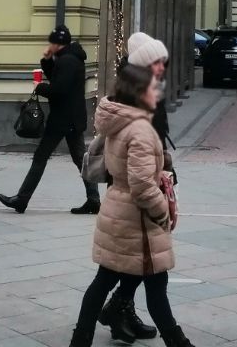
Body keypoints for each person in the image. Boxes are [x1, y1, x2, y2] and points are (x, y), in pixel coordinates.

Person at [68, 62, 195, 347]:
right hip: (136, 221)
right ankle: (178, 342)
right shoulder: (139, 130)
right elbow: (141, 185)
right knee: (154, 286)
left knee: (105, 281)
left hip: (119, 211)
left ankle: (81, 339)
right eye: (153, 86)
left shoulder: (121, 121)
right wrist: (162, 211)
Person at [98, 32, 172, 343]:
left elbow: (159, 139)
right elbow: (137, 141)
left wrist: (167, 174)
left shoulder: (150, 89)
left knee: (142, 256)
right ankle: (117, 309)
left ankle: (119, 313)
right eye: (156, 62)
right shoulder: (135, 94)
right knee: (143, 259)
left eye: (163, 62)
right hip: (137, 186)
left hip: (150, 178)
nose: (162, 67)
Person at [0, 25, 102, 215]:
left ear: (57, 43)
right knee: (80, 159)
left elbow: (58, 89)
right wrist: (46, 60)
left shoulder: (68, 61)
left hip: (63, 119)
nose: (49, 45)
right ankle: (94, 200)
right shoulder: (70, 58)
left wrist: (39, 87)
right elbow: (57, 75)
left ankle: (21, 200)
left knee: (41, 157)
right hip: (71, 118)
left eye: (51, 42)